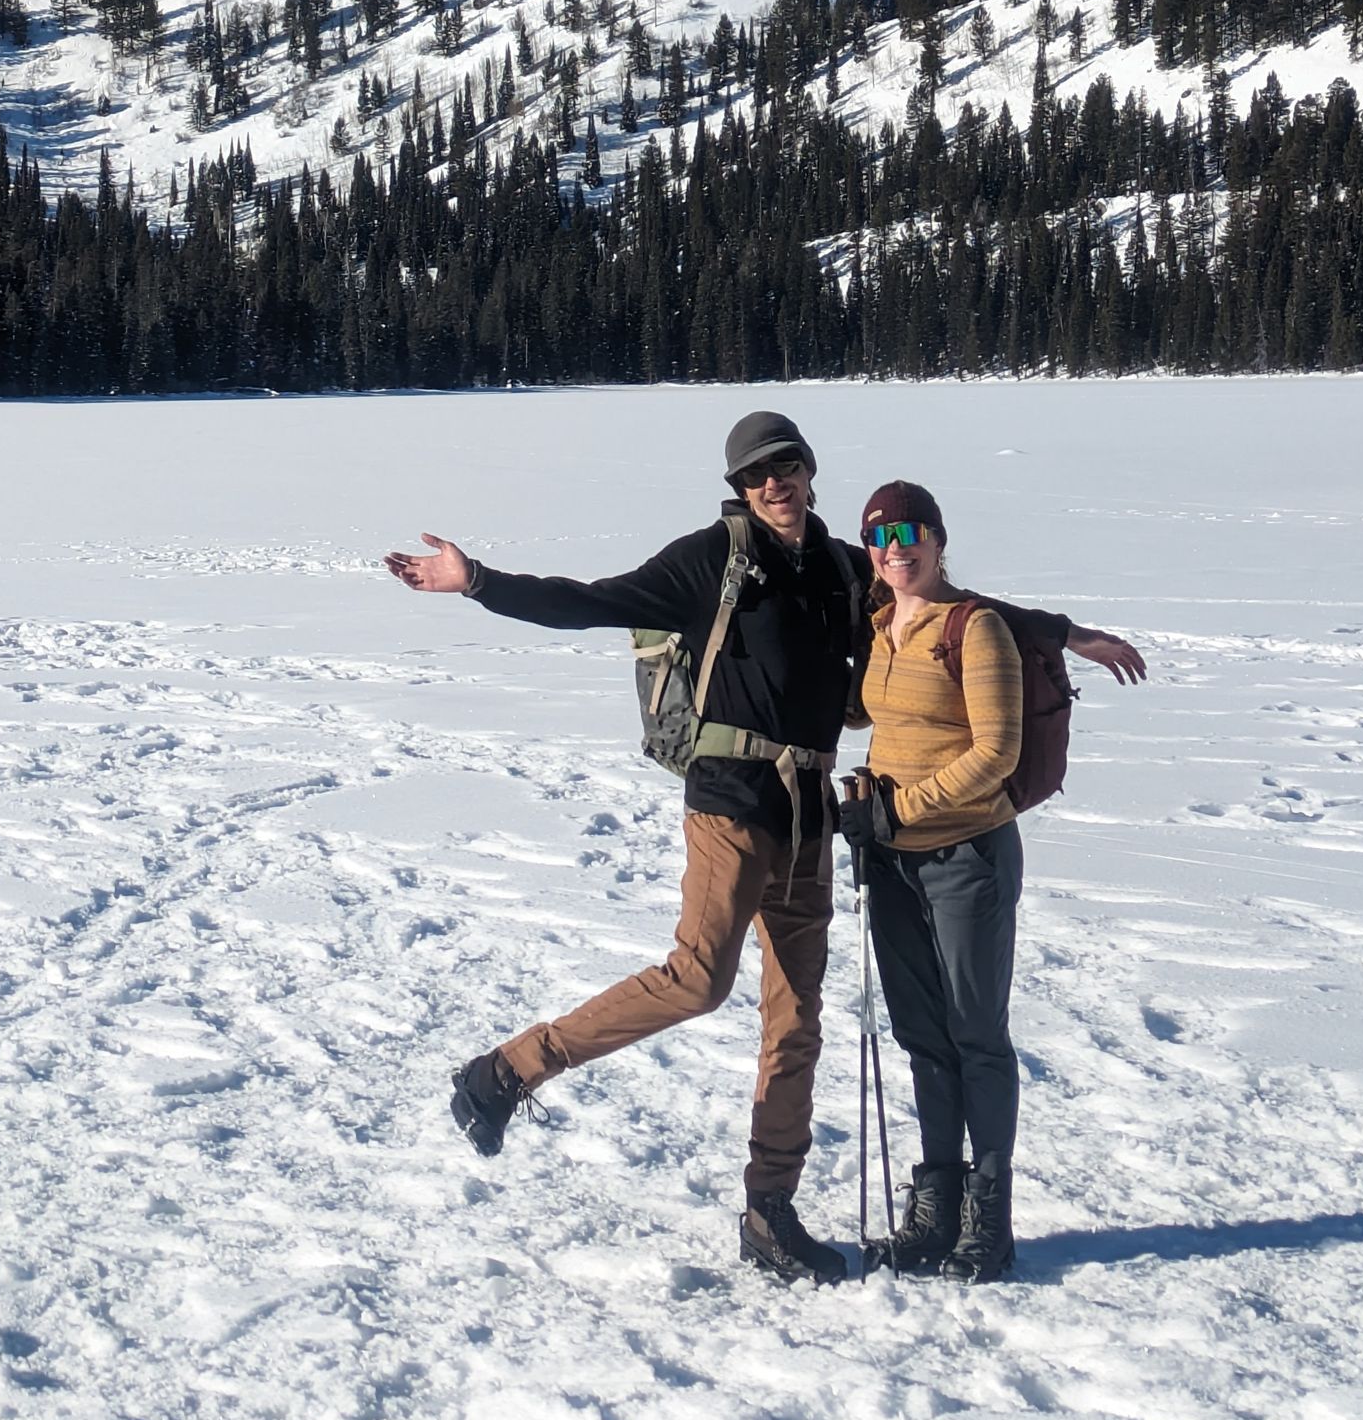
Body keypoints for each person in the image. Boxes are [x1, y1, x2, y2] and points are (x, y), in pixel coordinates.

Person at [384, 414, 1139, 1289]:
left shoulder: (841, 564)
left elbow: (943, 596)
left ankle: (769, 1208)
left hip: (811, 811)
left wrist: (1064, 631)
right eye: (754, 475)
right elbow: (593, 600)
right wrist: (477, 580)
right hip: (732, 803)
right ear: (739, 489)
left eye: (784, 467)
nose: (772, 484)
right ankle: (505, 1071)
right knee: (698, 978)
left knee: (797, 1019)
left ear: (809, 472)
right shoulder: (712, 558)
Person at [836, 479, 1145, 1284]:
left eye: (910, 531)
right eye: (879, 535)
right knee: (921, 1037)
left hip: (966, 857)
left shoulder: (977, 630)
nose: (895, 546)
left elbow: (996, 756)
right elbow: (874, 718)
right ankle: (935, 1208)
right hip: (892, 862)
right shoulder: (879, 625)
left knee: (976, 1034)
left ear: (939, 539)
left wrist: (900, 810)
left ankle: (989, 1216)